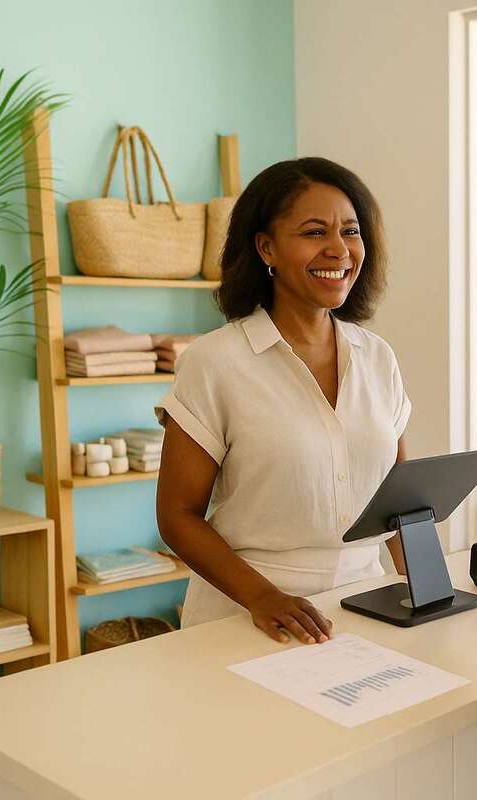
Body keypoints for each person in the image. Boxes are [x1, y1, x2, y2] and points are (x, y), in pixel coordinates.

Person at [155, 158, 411, 643]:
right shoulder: (215, 361)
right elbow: (177, 515)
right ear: (266, 247)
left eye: (350, 231)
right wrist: (263, 598)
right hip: (248, 616)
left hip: (367, 606)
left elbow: (401, 503)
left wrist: (429, 591)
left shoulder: (378, 358)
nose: (339, 249)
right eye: (315, 232)